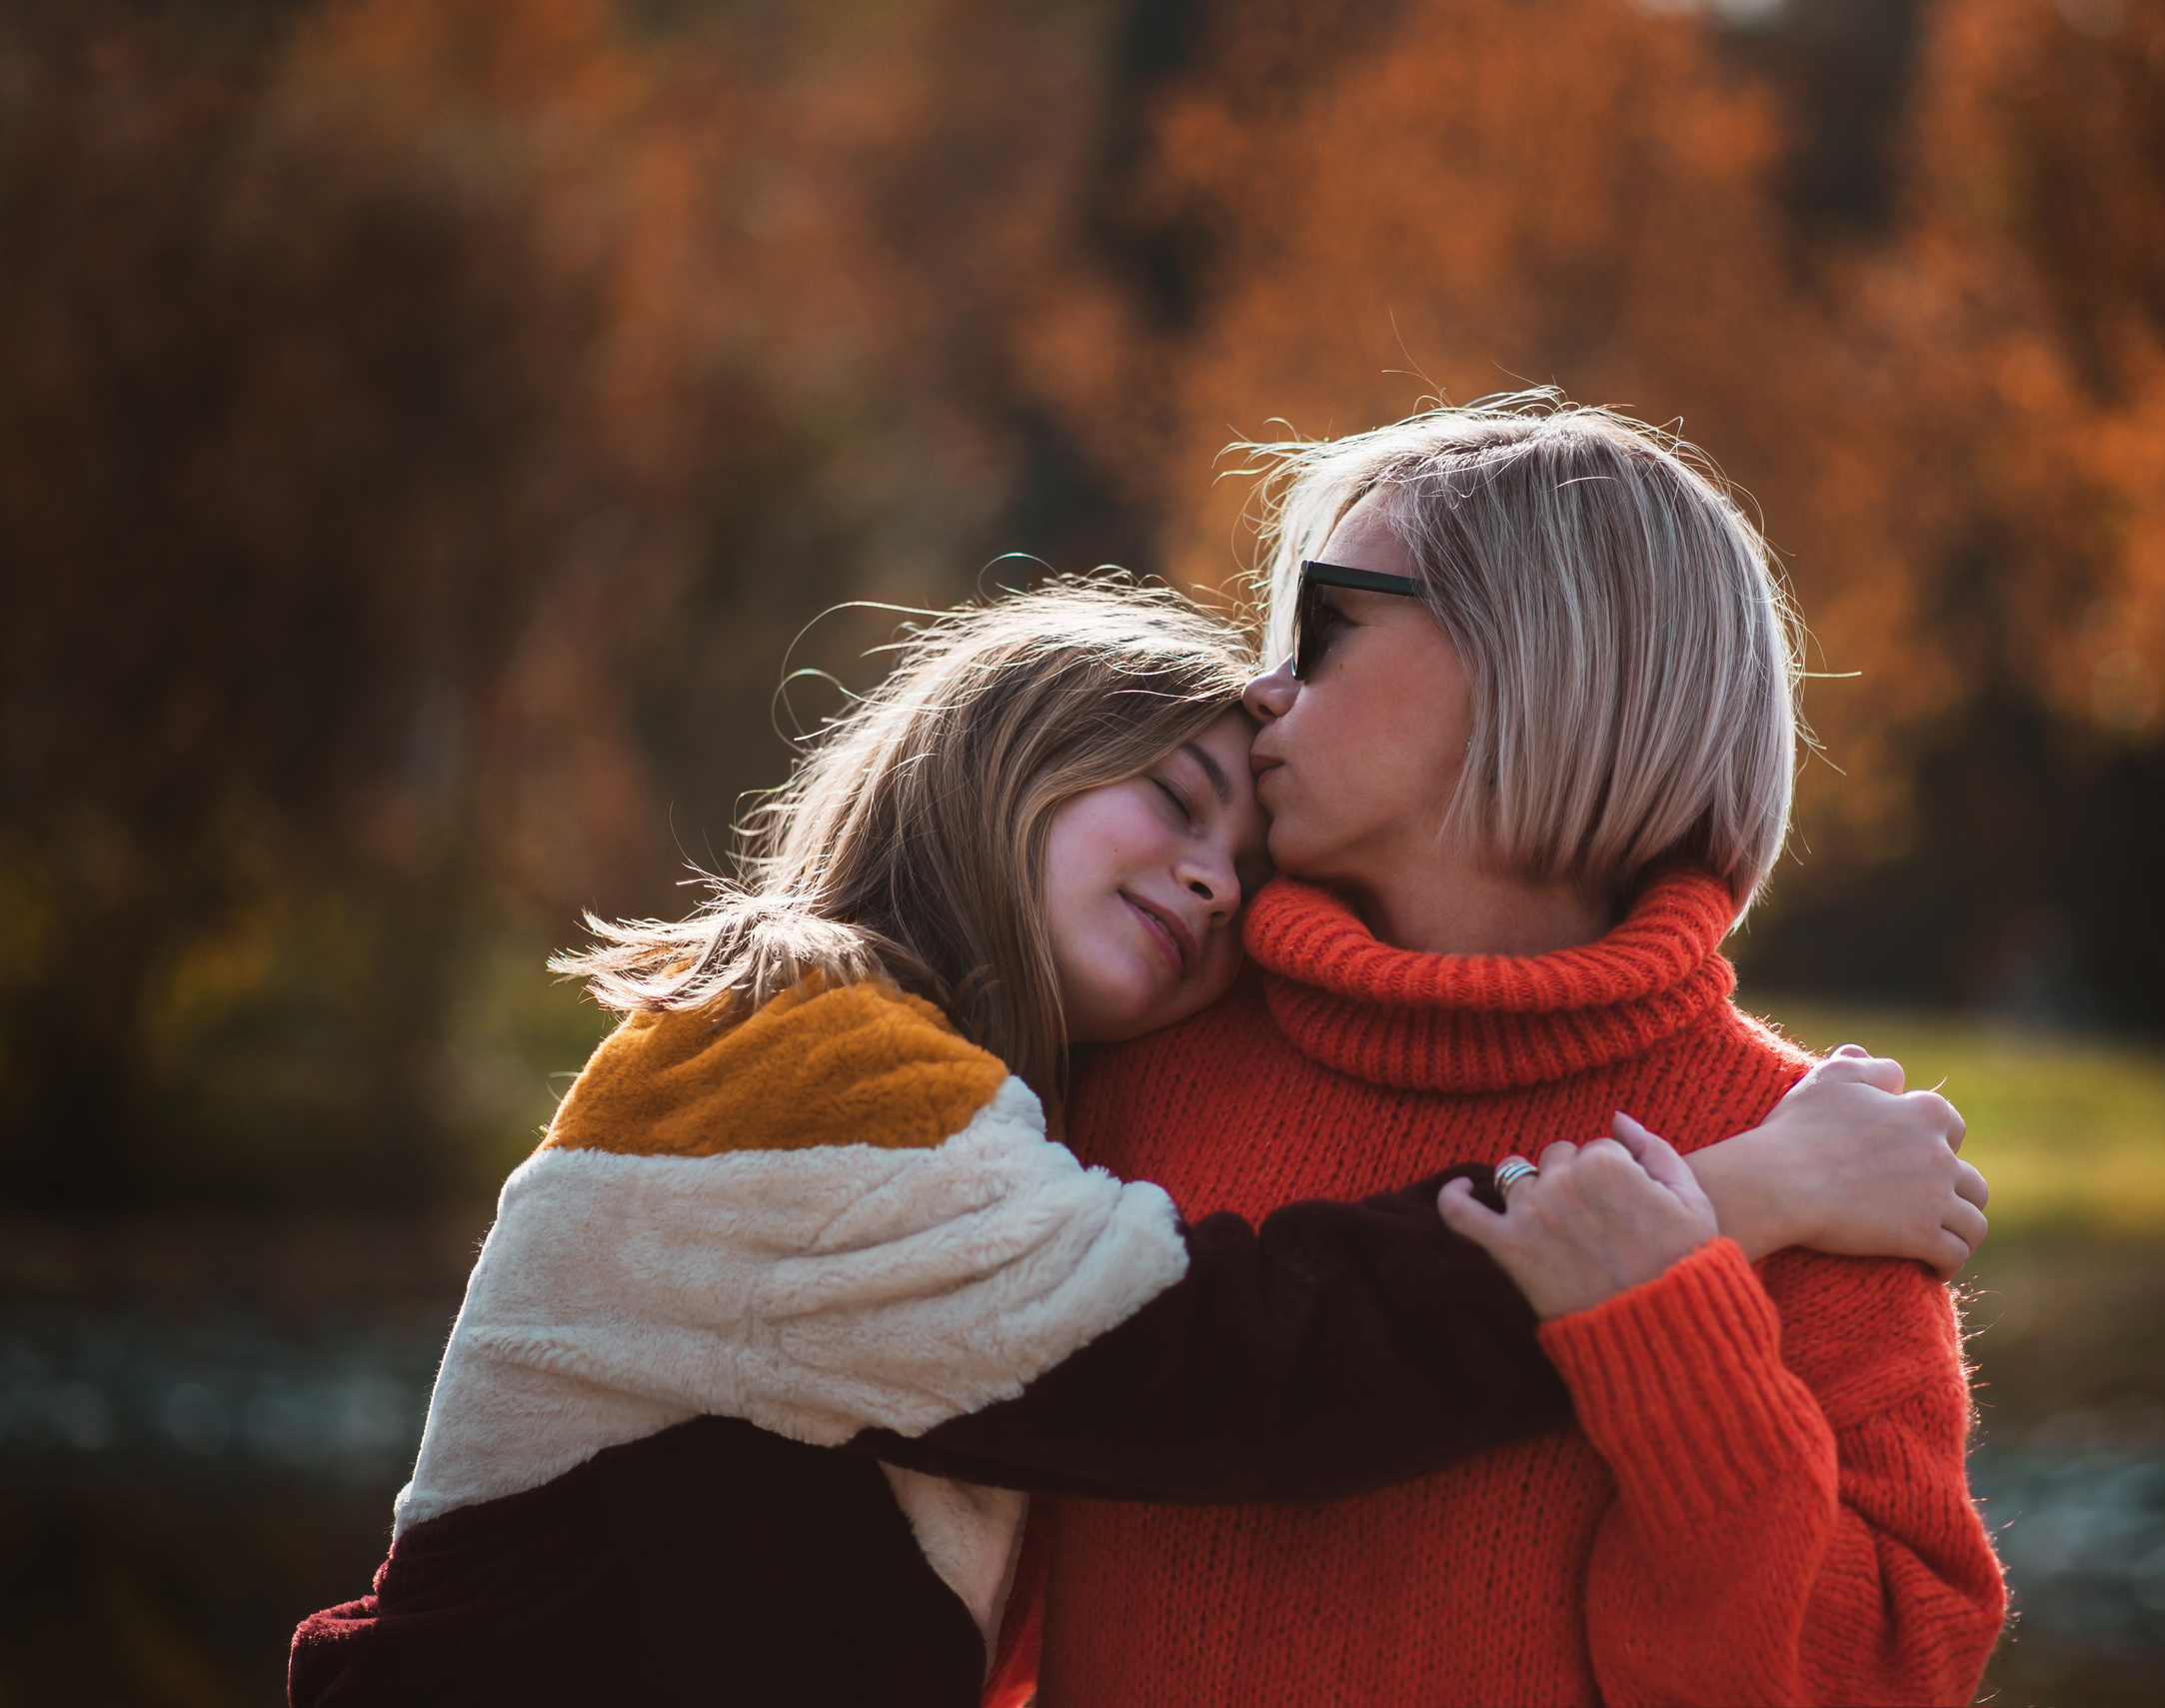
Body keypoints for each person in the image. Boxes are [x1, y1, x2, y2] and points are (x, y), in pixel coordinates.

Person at [287, 582, 1984, 1707]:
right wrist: (1742, 1193)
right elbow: (1233, 1359)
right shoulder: (800, 1060)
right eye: (1173, 802)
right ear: (994, 759)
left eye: (1243, 868)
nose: (1207, 878)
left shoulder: (958, 1103)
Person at [1037, 395, 2010, 1707]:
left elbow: (1876, 1681)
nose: (1263, 688)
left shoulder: (1836, 1168)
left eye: (1324, 627)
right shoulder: (1134, 1059)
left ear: (1548, 657)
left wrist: (1679, 1348)